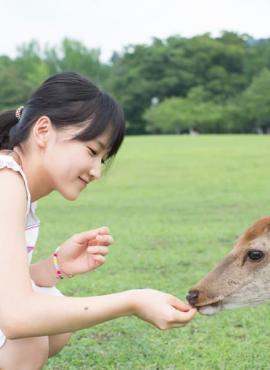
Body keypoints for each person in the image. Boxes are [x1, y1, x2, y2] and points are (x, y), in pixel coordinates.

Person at [0, 72, 196, 369]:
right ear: (43, 131)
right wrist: (132, 301)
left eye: (102, 159)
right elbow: (15, 317)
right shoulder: (7, 184)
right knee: (28, 340)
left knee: (54, 322)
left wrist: (54, 268)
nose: (96, 171)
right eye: (91, 151)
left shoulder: (14, 179)